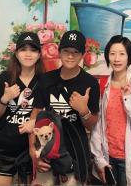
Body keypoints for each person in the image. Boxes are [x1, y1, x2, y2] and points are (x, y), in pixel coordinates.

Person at [29, 30, 100, 186]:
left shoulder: (90, 83)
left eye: (75, 52)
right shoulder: (46, 80)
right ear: (59, 52)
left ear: (82, 55)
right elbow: (34, 117)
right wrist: (34, 151)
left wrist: (84, 110)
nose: (70, 56)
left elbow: (92, 124)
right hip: (47, 150)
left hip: (75, 152)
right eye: (66, 51)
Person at [90, 35, 131, 186]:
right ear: (107, 56)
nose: (116, 59)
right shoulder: (102, 84)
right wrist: (98, 158)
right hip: (107, 158)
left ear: (129, 57)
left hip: (130, 159)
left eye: (122, 54)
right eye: (112, 54)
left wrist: (128, 101)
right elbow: (97, 125)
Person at [0, 32, 44, 186]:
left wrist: (34, 120)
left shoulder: (44, 81)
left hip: (31, 150)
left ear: (39, 54)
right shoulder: (4, 78)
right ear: (16, 53)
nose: (28, 54)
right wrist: (5, 99)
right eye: (23, 49)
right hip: (5, 149)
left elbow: (48, 115)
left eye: (33, 50)